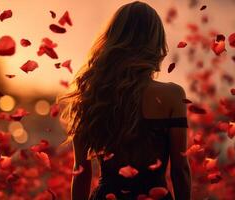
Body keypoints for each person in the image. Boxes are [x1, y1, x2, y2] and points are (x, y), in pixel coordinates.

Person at [56, 1, 191, 200]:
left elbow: (81, 171)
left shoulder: (93, 95)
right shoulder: (172, 95)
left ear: (113, 39)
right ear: (155, 42)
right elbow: (180, 171)